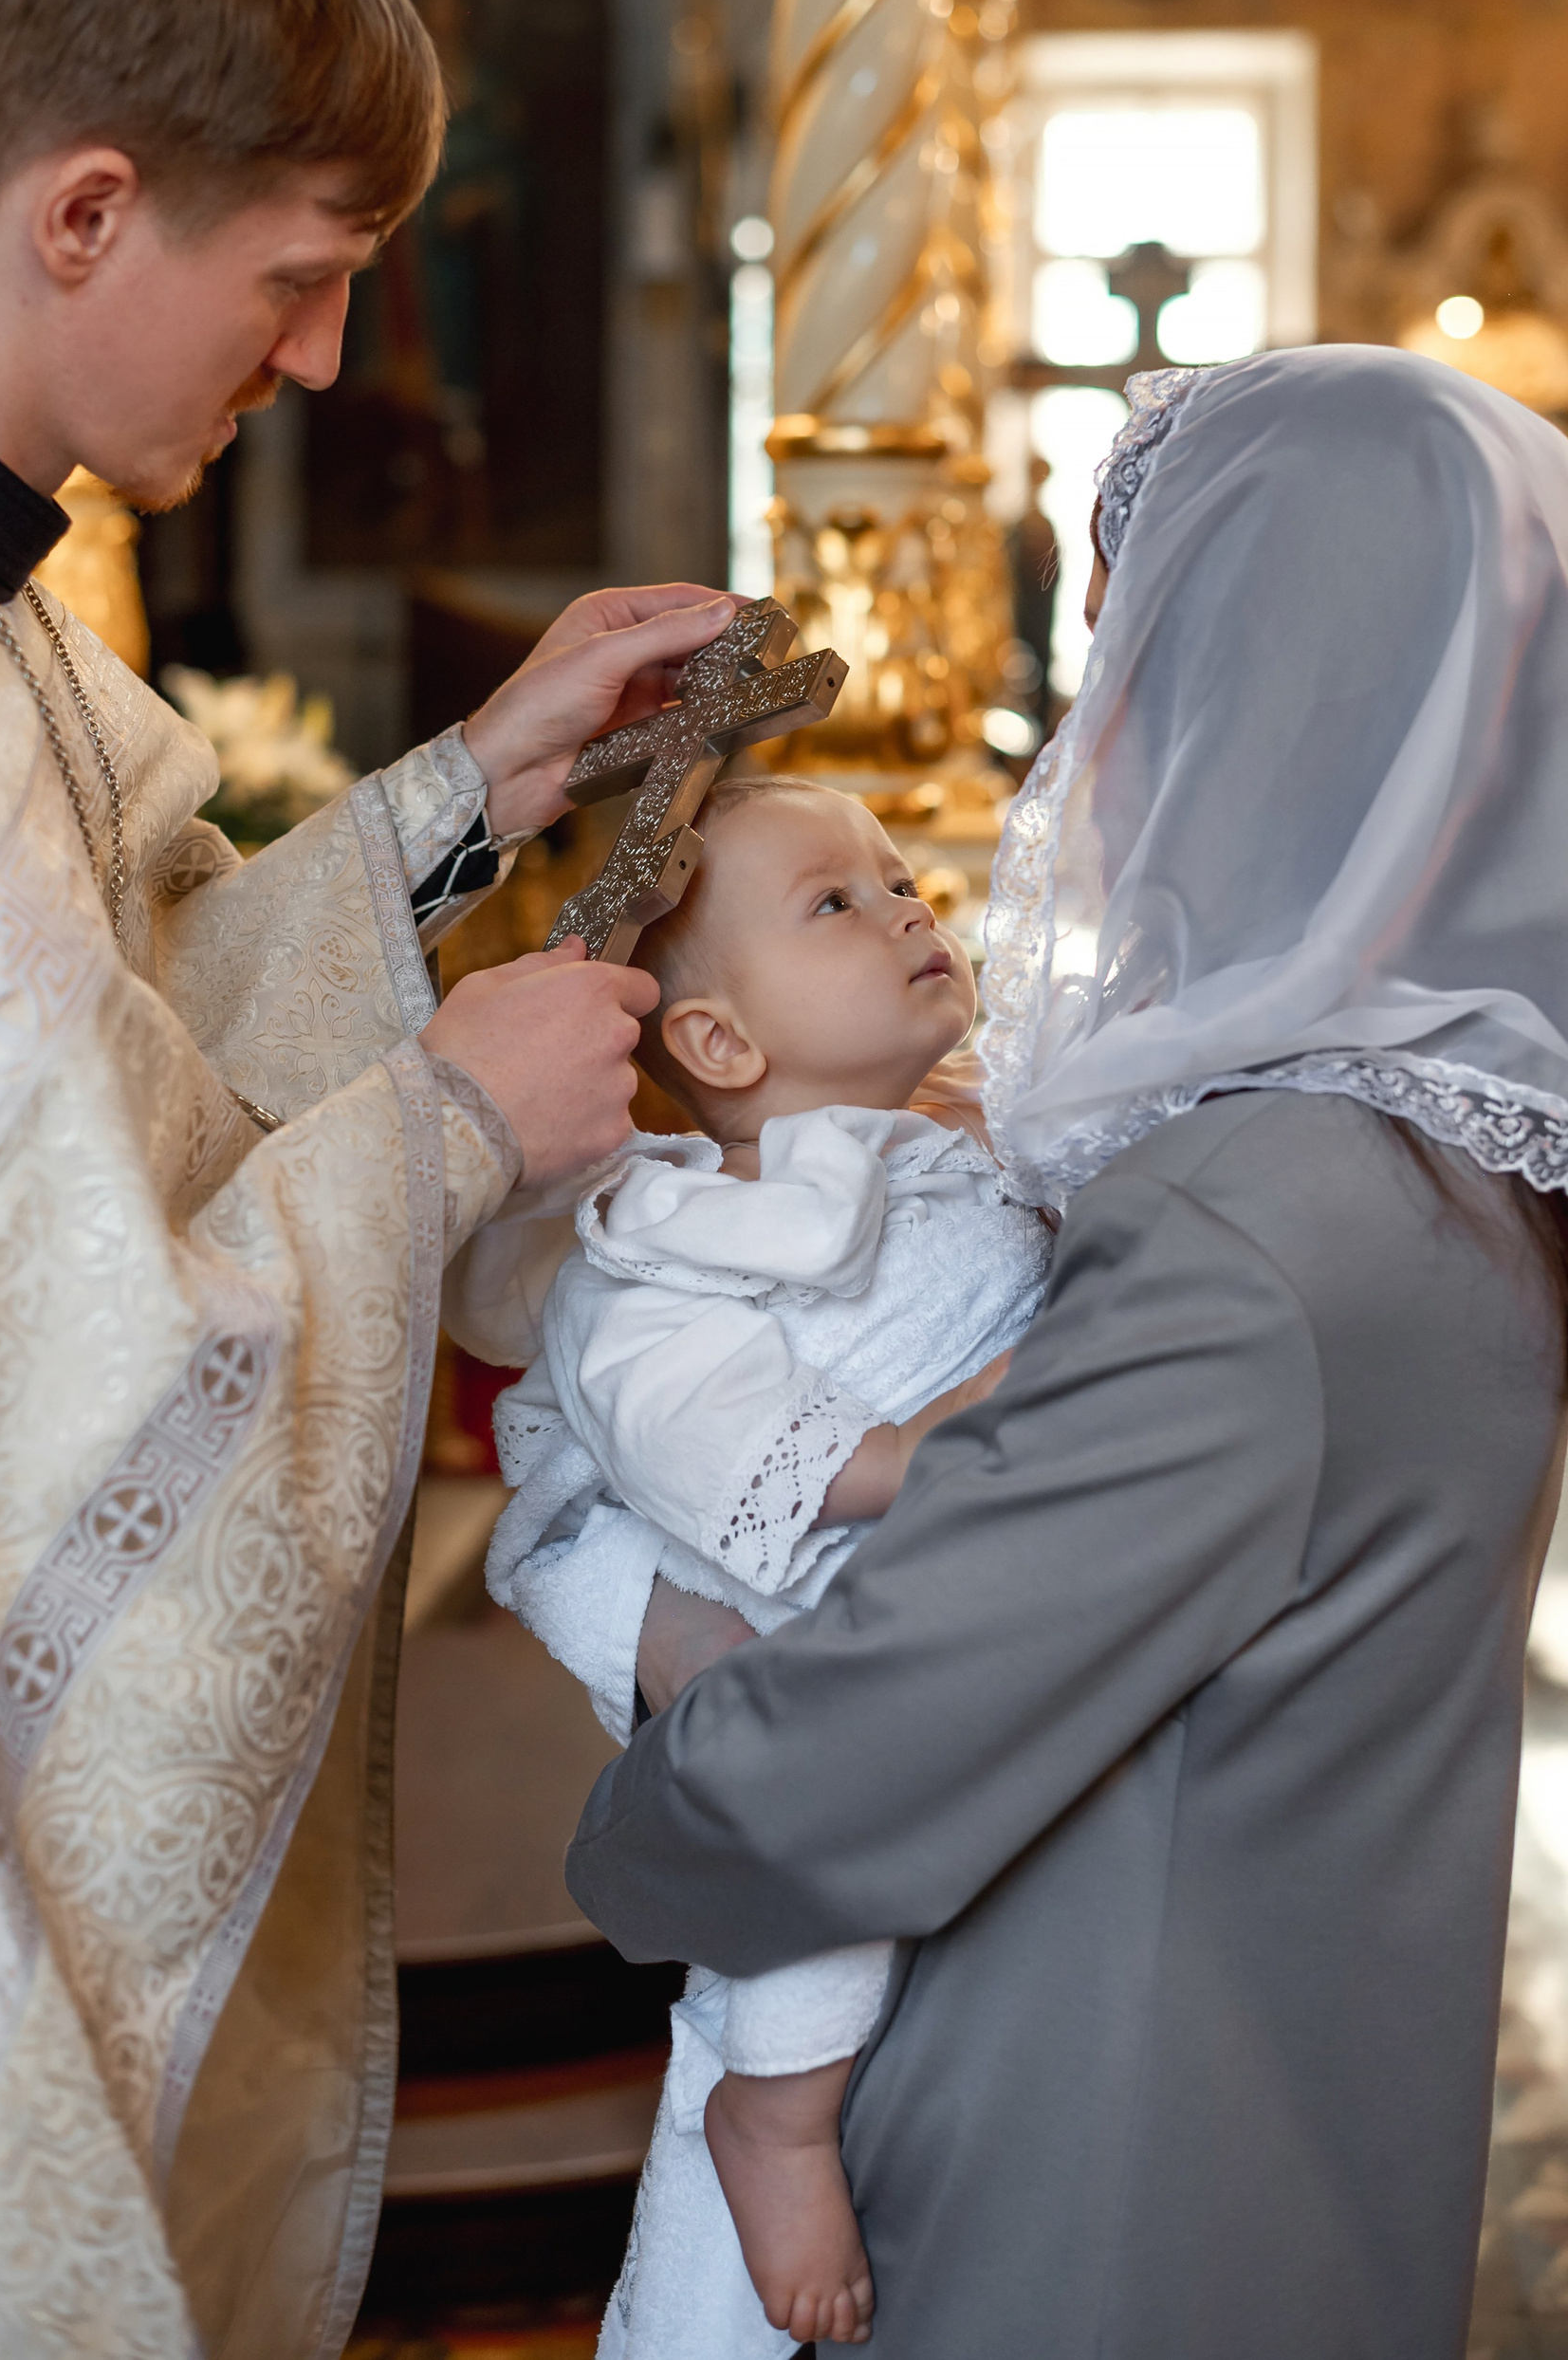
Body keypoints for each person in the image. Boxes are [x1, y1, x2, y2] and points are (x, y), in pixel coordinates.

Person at [0, 0, 735, 2359]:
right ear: (85, 211)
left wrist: (468, 795)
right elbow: (15, 1388)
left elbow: (116, 1025)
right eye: (297, 279)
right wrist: (451, 1124)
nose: (316, 363)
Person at [566, 345, 1568, 2360]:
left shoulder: (1255, 1214)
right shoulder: (1452, 1149)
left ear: (1255, 712)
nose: (1096, 753)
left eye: (1134, 669)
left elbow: (840, 1762)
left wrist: (640, 1755)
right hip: (1301, 2124)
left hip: (1084, 2176)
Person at [456, 779, 1048, 2353]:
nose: (910, 907)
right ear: (718, 1045)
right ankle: (775, 2112)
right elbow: (692, 1427)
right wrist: (906, 1455)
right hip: (802, 1611)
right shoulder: (669, 1240)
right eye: (837, 902)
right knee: (823, 1847)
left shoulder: (971, 1133)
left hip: (981, 1596)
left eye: (902, 878)